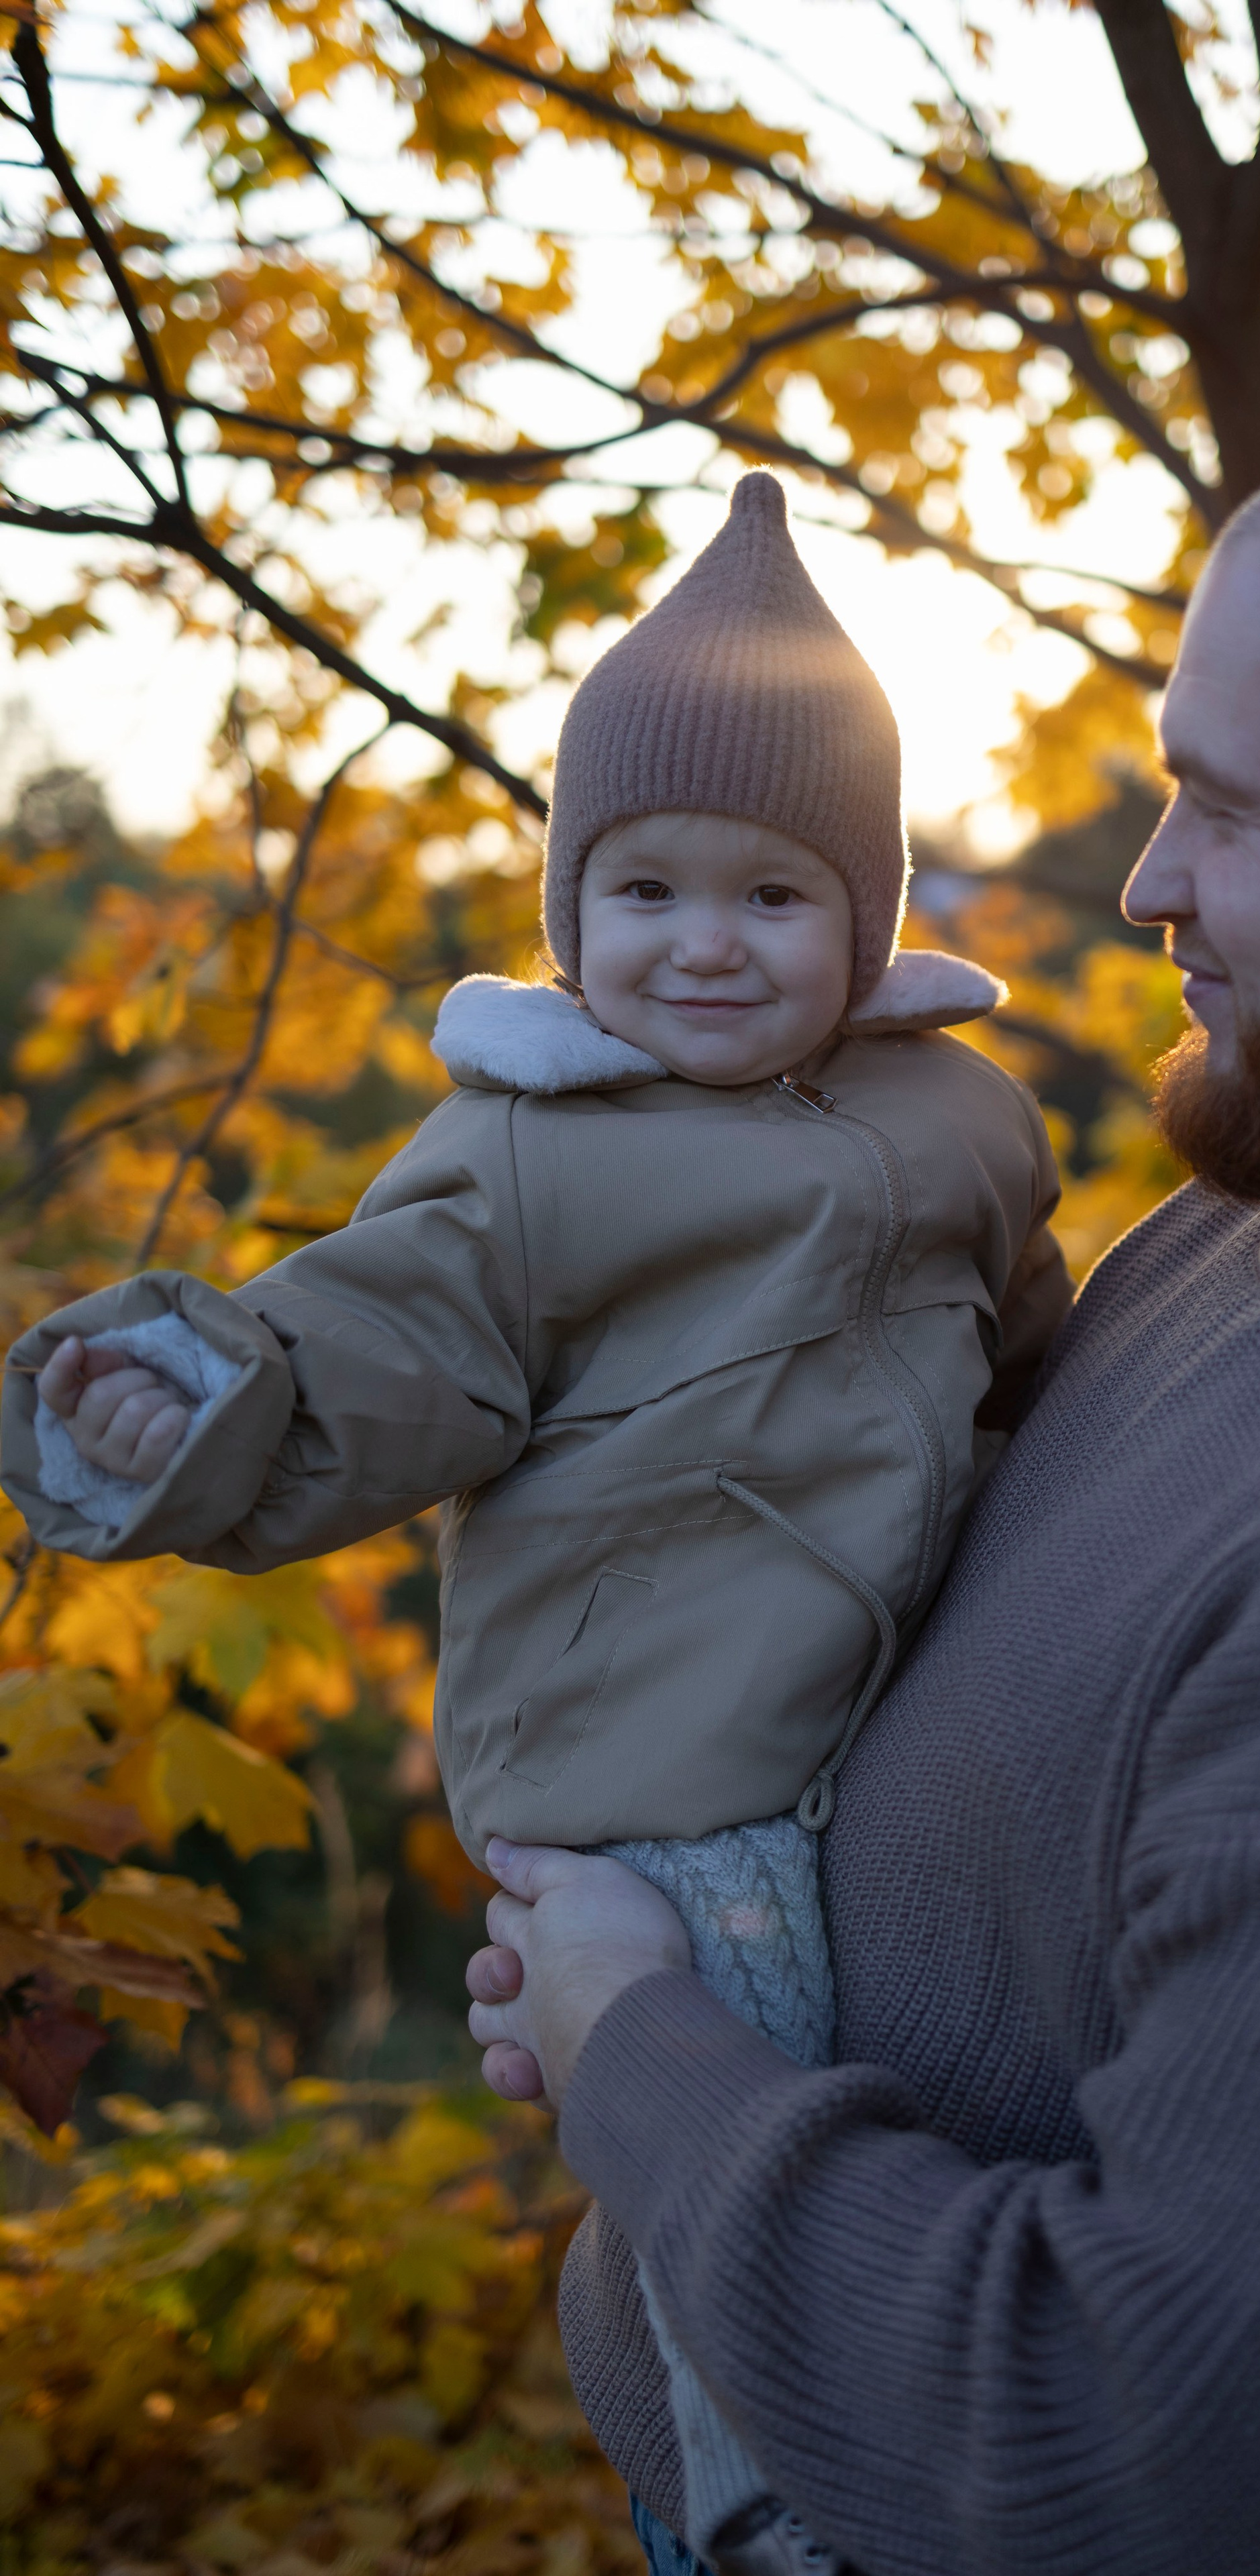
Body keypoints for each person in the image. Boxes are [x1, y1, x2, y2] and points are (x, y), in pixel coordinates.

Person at [462, 409, 1260, 2576]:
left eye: (1219, 810)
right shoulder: (1253, 1237)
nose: (1144, 882)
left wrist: (642, 2052)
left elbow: (1160, 2468)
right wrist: (669, 1943)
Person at [0, 474, 1069, 2576]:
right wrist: (193, 1398)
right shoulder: (526, 1155)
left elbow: (1029, 1345)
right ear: (572, 906)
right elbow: (372, 1348)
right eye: (647, 889)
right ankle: (770, 2489)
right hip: (654, 1746)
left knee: (936, 2074)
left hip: (888, 1707)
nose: (701, 944)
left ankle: (962, 2396)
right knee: (729, 2048)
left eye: (771, 898)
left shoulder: (964, 1114)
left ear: (869, 908)